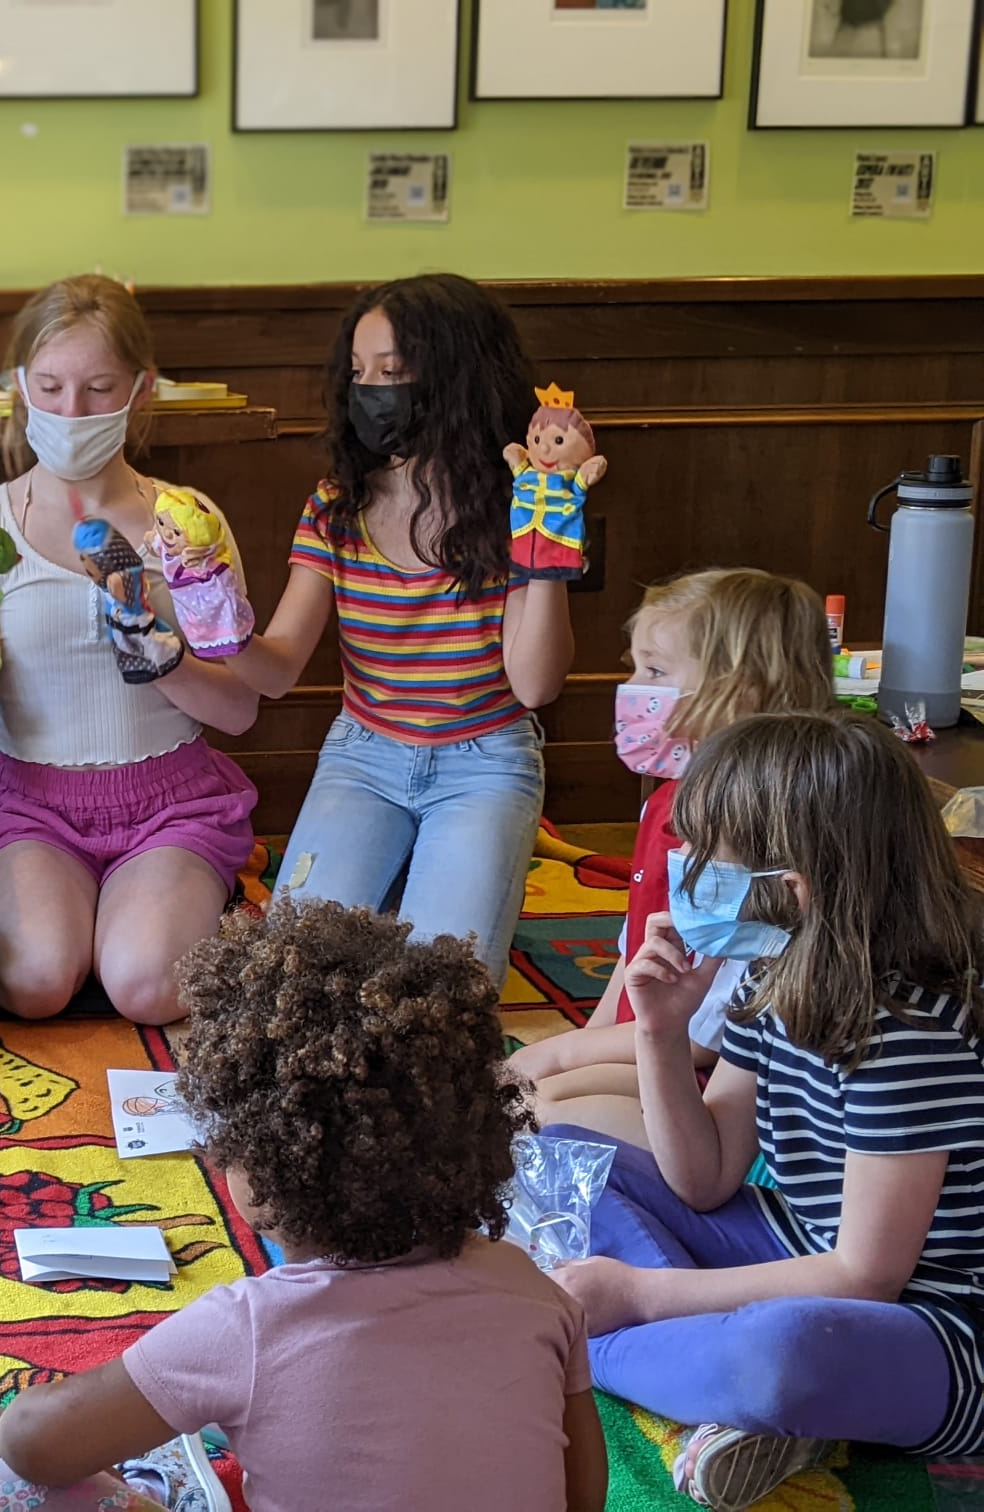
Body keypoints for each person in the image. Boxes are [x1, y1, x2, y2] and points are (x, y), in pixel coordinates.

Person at [0, 900, 606, 1512]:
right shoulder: (530, 1286)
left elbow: (33, 1444)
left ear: (262, 1160)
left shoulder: (244, 1329)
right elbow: (582, 1496)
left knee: (14, 1486)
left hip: (184, 1381)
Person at [547, 711, 984, 1510]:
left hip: (937, 1322)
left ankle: (589, 1346)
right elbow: (706, 1177)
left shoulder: (909, 1035)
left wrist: (641, 1295)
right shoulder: (772, 969)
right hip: (798, 1244)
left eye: (708, 854)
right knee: (559, 1156)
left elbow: (865, 1275)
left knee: (783, 1351)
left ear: (793, 888)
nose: (686, 869)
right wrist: (660, 1032)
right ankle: (708, 1378)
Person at [0, 275, 260, 1026]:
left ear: (141, 390)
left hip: (171, 802)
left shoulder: (186, 523)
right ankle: (47, 922)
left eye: (99, 388)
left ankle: (176, 913)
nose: (71, 412)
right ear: (20, 386)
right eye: (50, 387)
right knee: (35, 983)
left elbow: (240, 710)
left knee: (145, 989)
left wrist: (156, 647)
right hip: (32, 805)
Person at [225, 273, 574, 987]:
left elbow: (535, 685)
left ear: (456, 379)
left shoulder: (517, 503)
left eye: (392, 373)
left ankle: (423, 883)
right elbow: (279, 668)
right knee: (291, 975)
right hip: (365, 757)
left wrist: (547, 533)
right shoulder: (336, 505)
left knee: (440, 990)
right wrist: (217, 626)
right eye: (358, 374)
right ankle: (400, 884)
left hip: (485, 764)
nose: (371, 393)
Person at [509, 569, 835, 1144]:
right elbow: (634, 951)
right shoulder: (665, 803)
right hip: (655, 1044)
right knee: (520, 1093)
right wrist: (578, 1043)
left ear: (740, 693)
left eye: (655, 672)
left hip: (715, 1079)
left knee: (535, 1107)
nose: (633, 688)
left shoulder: (760, 831)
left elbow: (712, 1036)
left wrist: (563, 1056)